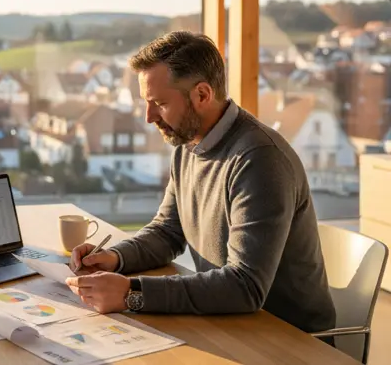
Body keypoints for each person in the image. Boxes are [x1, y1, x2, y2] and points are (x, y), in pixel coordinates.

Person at [65, 31, 336, 334]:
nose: (149, 117)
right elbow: (167, 231)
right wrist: (115, 258)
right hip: (229, 323)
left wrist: (132, 293)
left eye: (159, 103)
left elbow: (245, 286)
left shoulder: (260, 159)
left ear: (203, 95)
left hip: (289, 340)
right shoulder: (187, 142)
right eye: (146, 103)